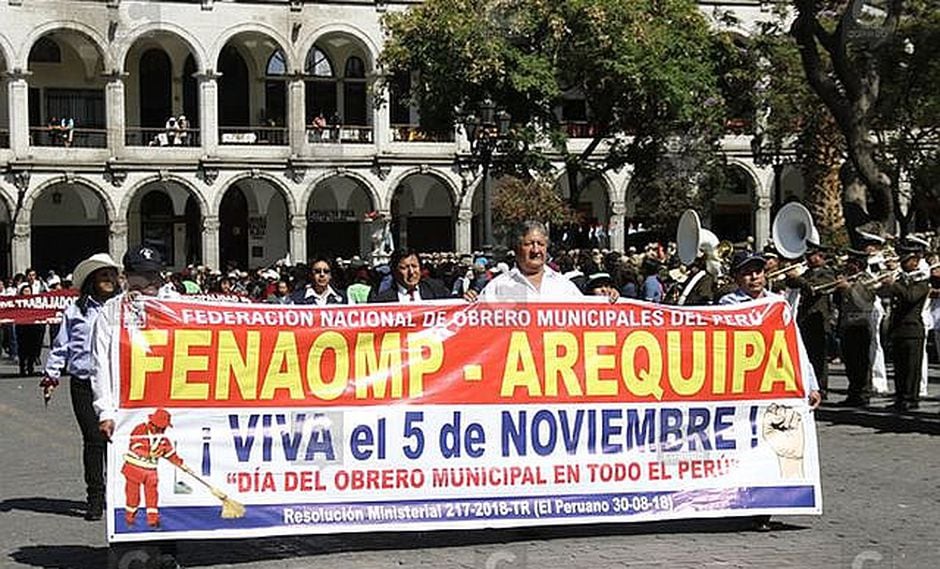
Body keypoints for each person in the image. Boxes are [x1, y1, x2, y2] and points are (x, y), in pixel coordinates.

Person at [718, 250, 821, 533]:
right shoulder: (728, 304)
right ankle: (742, 499)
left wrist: (811, 383)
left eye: (759, 271)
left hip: (775, 385)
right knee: (745, 445)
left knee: (772, 444)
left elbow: (795, 346)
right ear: (736, 278)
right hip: (742, 387)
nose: (754, 277)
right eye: (747, 273)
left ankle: (764, 508)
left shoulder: (778, 304)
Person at [40, 253, 121, 521]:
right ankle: (95, 498)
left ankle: (117, 496)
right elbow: (61, 346)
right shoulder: (75, 311)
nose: (109, 279)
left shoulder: (124, 308)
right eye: (103, 275)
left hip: (116, 384)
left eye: (112, 275)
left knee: (116, 440)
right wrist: (51, 377)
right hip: (83, 383)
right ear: (92, 280)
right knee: (94, 439)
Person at [472, 220, 618, 303]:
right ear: (517, 248)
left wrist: (609, 300)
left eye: (541, 244)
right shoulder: (498, 287)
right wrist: (469, 303)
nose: (536, 250)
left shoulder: (564, 286)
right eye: (529, 244)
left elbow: (586, 319)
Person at [881, 242, 932, 412]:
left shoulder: (922, 281)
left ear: (915, 262)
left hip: (912, 329)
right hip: (898, 329)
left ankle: (911, 398)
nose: (903, 263)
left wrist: (893, 285)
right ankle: (900, 396)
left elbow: (910, 297)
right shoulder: (901, 280)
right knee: (900, 367)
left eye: (907, 260)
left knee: (912, 368)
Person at [122, 408, 185, 529]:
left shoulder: (163, 440)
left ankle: (153, 520)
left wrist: (181, 465)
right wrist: (149, 453)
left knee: (152, 496)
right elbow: (135, 445)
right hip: (134, 468)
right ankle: (130, 518)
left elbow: (171, 454)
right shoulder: (140, 429)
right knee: (133, 495)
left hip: (151, 471)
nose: (163, 429)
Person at [832, 251, 875, 407]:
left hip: (861, 324)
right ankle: (853, 392)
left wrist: (848, 288)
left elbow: (863, 302)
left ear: (857, 265)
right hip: (847, 324)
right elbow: (838, 302)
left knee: (861, 362)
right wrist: (838, 288)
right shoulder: (849, 278)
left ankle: (863, 393)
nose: (847, 266)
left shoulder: (867, 280)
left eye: (850, 263)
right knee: (850, 362)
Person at [368, 248, 451, 302]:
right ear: (394, 271)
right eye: (404, 268)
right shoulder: (381, 300)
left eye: (414, 266)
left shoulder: (437, 290)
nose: (411, 272)